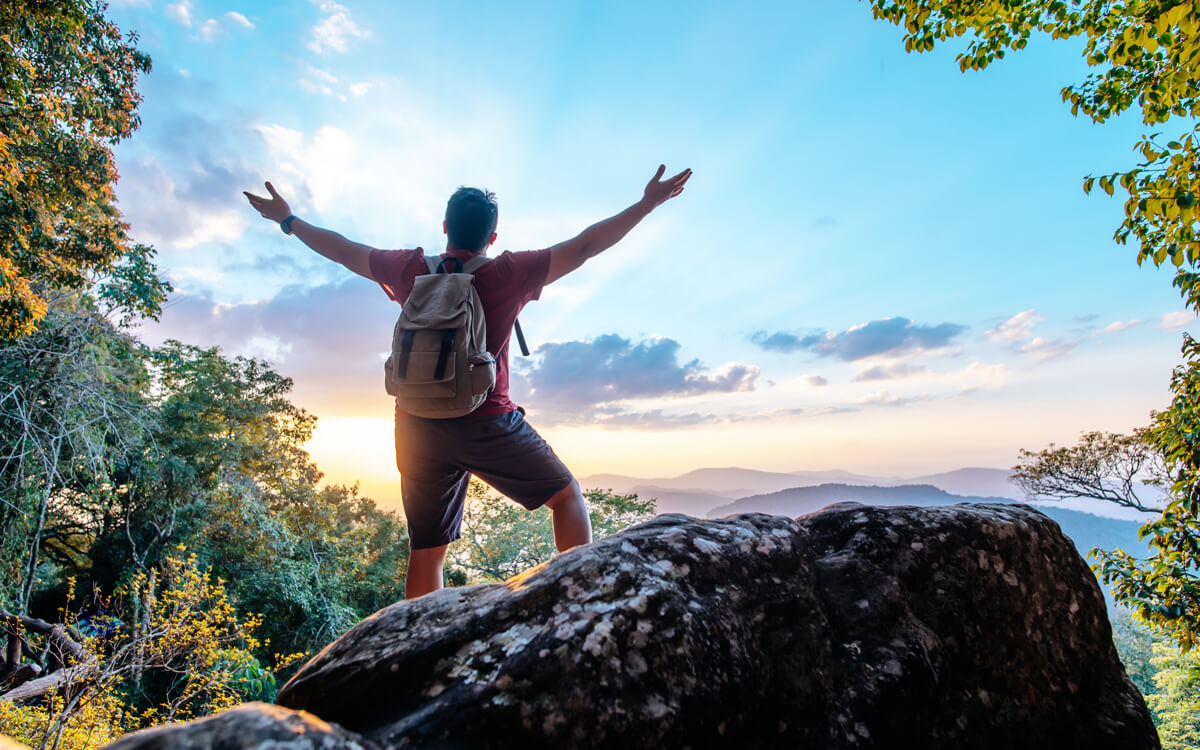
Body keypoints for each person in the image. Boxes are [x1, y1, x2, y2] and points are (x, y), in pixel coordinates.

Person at [244, 165, 692, 598]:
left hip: (416, 425)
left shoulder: (410, 268)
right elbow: (585, 246)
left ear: (445, 227)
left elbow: (343, 249)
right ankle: (581, 602)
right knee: (568, 497)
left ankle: (416, 644)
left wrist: (288, 219)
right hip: (488, 422)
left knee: (426, 553)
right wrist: (647, 204)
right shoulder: (508, 272)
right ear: (492, 237)